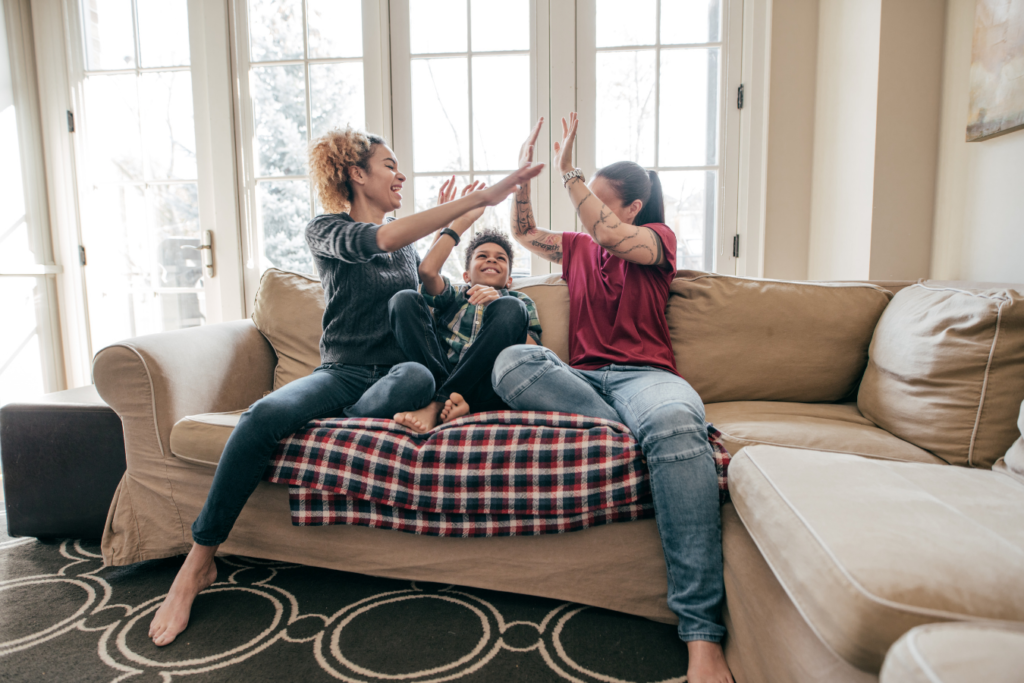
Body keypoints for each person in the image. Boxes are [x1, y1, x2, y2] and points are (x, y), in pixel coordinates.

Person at [147, 127, 544, 647]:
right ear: (357, 174)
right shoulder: (328, 230)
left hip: (402, 378)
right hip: (343, 374)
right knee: (262, 418)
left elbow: (424, 284)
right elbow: (380, 239)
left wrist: (463, 241)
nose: (400, 175)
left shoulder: (406, 251)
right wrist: (479, 197)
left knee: (419, 375)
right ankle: (198, 562)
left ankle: (389, 412)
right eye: (389, 165)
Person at [493, 114, 734, 683]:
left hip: (646, 376)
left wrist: (569, 173)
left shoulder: (655, 242)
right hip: (582, 381)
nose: (585, 211)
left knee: (676, 420)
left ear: (629, 208)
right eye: (584, 200)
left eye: (598, 202)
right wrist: (525, 178)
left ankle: (702, 635)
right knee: (511, 361)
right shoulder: (575, 248)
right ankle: (626, 430)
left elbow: (608, 235)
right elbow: (525, 233)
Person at [390, 179, 543, 431]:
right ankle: (450, 399)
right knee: (403, 299)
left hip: (486, 384)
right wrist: (456, 224)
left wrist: (500, 301)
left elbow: (533, 350)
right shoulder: (455, 295)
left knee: (510, 310)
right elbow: (427, 271)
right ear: (466, 276)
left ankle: (439, 402)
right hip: (440, 371)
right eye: (482, 256)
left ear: (511, 279)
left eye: (500, 258)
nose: (491, 260)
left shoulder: (518, 301)